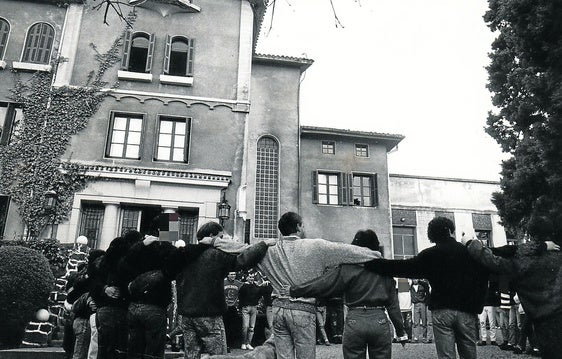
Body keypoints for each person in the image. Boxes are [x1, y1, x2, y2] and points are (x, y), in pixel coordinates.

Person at [255, 212, 381, 359]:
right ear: (298, 227)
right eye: (302, 224)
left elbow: (242, 253)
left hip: (277, 308)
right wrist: (374, 254)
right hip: (302, 309)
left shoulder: (270, 251)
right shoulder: (316, 246)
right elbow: (346, 251)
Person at [364, 216, 489, 359]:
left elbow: (403, 267)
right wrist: (477, 306)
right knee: (469, 354)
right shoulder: (468, 253)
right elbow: (482, 278)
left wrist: (373, 263)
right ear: (449, 231)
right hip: (466, 310)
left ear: (432, 234)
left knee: (446, 355)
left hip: (442, 310)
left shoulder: (430, 255)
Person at [288, 229, 408, 359]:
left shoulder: (348, 268)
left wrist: (294, 290)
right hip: (379, 320)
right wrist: (401, 332)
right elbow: (393, 305)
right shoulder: (385, 269)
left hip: (354, 319)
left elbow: (323, 284)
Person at [174, 221, 275, 358]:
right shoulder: (215, 255)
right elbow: (242, 260)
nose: (222, 242)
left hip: (186, 314)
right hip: (209, 314)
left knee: (191, 355)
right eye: (220, 238)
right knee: (218, 355)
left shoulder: (184, 254)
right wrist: (263, 245)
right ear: (212, 236)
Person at [463, 219, 562, 359]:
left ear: (530, 235)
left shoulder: (521, 261)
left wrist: (470, 243)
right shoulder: (557, 256)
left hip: (544, 322)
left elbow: (491, 260)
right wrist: (542, 246)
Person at [90, 233, 142, 359]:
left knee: (105, 348)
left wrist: (103, 289)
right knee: (119, 349)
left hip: (103, 309)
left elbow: (93, 285)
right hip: (120, 309)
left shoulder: (102, 264)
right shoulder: (126, 263)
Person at [239, 272, 261, 350]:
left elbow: (259, 294)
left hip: (254, 307)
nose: (251, 279)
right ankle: (243, 343)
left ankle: (248, 343)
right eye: (250, 277)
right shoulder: (244, 286)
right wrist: (242, 306)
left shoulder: (255, 286)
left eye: (252, 277)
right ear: (247, 278)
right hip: (246, 307)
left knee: (252, 327)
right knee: (245, 326)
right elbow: (240, 296)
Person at [477, 276, 499, 346]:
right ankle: (484, 339)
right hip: (482, 305)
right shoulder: (481, 284)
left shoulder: (494, 284)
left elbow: (496, 294)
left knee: (492, 323)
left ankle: (493, 339)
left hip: (490, 305)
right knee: (482, 322)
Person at [224, 272, 243, 352]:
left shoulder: (238, 283)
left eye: (234, 274)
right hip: (225, 307)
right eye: (231, 274)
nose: (233, 276)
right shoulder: (223, 283)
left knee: (233, 327)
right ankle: (225, 345)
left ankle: (231, 344)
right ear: (227, 275)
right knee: (225, 327)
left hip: (233, 307)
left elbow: (247, 285)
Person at [410, 278, 430, 343]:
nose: (415, 280)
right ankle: (416, 337)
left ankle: (424, 337)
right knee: (416, 322)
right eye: (414, 279)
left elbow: (427, 293)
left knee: (424, 321)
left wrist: (425, 301)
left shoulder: (422, 286)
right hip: (415, 305)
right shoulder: (410, 286)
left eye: (416, 279)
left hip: (422, 304)